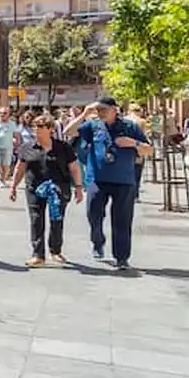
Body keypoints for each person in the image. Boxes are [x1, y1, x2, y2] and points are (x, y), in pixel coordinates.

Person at [62, 97, 152, 270]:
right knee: (93, 214)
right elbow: (68, 132)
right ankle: (97, 241)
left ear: (114, 110)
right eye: (98, 109)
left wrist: (133, 143)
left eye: (104, 109)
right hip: (97, 179)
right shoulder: (93, 125)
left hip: (124, 180)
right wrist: (84, 114)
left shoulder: (130, 126)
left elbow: (149, 150)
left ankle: (122, 257)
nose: (100, 112)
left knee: (122, 220)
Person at [9, 114, 84, 267]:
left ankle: (55, 250)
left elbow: (74, 168)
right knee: (36, 220)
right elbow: (20, 168)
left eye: (40, 127)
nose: (36, 130)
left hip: (58, 188)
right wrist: (13, 186)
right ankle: (38, 255)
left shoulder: (63, 147)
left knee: (56, 219)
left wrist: (78, 187)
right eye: (34, 126)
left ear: (50, 129)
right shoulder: (27, 147)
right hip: (34, 188)